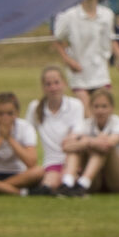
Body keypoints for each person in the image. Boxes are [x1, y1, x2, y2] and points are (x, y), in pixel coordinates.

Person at [0, 91, 52, 195]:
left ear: (17, 113)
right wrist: (0, 139)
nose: (5, 118)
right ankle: (19, 192)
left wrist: (9, 139)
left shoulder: (25, 127)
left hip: (17, 174)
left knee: (39, 171)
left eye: (10, 113)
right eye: (1, 114)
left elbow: (31, 162)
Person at [29, 66, 89, 194]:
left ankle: (68, 183)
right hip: (52, 162)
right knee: (49, 184)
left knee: (72, 152)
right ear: (43, 87)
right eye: (48, 84)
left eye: (57, 83)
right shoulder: (35, 108)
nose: (53, 88)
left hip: (73, 159)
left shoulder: (75, 105)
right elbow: (27, 134)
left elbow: (76, 135)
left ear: (64, 84)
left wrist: (69, 143)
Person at [52, 0, 119, 92]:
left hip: (101, 74)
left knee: (103, 101)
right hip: (79, 74)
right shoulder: (69, 16)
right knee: (84, 103)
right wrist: (68, 60)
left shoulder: (107, 14)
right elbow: (57, 39)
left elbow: (110, 39)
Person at [71, 85, 119, 194]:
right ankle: (74, 182)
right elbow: (67, 144)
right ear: (91, 108)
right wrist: (87, 142)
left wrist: (87, 141)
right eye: (96, 106)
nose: (100, 110)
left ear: (112, 108)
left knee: (104, 147)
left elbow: (108, 143)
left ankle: (82, 183)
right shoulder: (86, 124)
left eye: (104, 106)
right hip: (96, 180)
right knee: (82, 146)